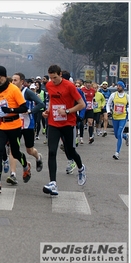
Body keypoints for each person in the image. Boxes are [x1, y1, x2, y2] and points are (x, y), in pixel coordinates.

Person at [42, 64, 87, 196]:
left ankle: (80, 168)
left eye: (55, 77)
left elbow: (82, 104)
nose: (53, 81)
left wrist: (67, 111)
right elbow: (51, 100)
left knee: (70, 151)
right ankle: (53, 183)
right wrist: (48, 111)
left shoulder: (70, 86)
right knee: (51, 151)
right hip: (54, 123)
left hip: (68, 123)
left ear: (60, 74)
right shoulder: (49, 85)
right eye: (51, 78)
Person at [0, 66, 31, 194]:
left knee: (15, 153)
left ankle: (25, 165)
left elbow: (24, 108)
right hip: (0, 126)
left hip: (14, 126)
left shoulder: (14, 90)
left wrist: (10, 110)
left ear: (5, 77)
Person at [6, 72, 45, 185]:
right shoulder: (10, 91)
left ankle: (38, 157)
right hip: (14, 124)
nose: (13, 82)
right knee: (13, 150)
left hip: (27, 125)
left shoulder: (26, 92)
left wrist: (30, 111)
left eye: (15, 80)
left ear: (22, 82)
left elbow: (41, 104)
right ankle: (13, 175)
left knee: (29, 150)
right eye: (12, 80)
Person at [106, 80, 129, 160]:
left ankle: (117, 153)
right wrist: (108, 111)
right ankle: (126, 136)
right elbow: (108, 104)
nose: (117, 87)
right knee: (116, 135)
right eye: (117, 86)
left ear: (123, 87)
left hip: (123, 117)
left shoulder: (127, 96)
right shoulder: (113, 95)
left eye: (119, 86)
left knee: (119, 134)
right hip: (115, 117)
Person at [80, 80, 96, 144]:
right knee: (82, 123)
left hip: (90, 109)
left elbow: (93, 98)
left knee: (90, 122)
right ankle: (81, 137)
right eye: (87, 83)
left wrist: (94, 103)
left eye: (89, 83)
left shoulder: (92, 90)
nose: (88, 85)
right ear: (85, 84)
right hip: (83, 109)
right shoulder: (82, 90)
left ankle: (90, 137)